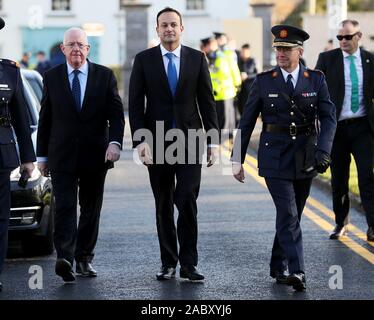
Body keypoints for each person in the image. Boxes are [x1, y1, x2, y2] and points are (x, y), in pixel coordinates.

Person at [232, 25, 336, 291]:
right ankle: (298, 271)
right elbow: (246, 121)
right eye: (278, 48)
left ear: (299, 52)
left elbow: (327, 116)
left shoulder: (316, 79)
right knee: (288, 213)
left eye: (287, 49)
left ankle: (277, 264)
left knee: (293, 214)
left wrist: (324, 151)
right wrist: (236, 158)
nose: (281, 53)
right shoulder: (265, 80)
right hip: (273, 155)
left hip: (305, 155)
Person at [129, 7, 219, 281]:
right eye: (164, 25)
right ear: (157, 30)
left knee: (187, 198)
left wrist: (213, 142)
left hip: (190, 140)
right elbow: (135, 104)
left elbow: (207, 102)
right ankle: (168, 261)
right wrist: (140, 141)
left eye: (173, 25)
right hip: (156, 143)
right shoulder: (144, 60)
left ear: (182, 29)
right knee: (164, 203)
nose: (168, 29)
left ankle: (189, 264)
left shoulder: (196, 58)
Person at [37, 27, 125, 282]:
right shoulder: (51, 77)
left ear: (88, 49)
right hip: (61, 155)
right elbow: (46, 118)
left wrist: (115, 143)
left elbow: (116, 115)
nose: (76, 49)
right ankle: (64, 258)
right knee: (64, 206)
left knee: (90, 208)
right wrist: (42, 156)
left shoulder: (104, 76)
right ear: (63, 49)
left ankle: (84, 258)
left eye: (80, 45)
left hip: (96, 154)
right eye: (71, 44)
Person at [315, 20, 374, 242]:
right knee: (339, 178)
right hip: (336, 129)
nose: (343, 41)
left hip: (362, 128)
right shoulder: (327, 59)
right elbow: (315, 91)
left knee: (367, 177)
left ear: (358, 35)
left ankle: (372, 225)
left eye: (347, 37)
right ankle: (341, 223)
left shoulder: (370, 60)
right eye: (340, 37)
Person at [0, 17, 36, 292]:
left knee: (1, 221)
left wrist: (28, 159)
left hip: (2, 158)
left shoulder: (9, 71)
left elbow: (22, 121)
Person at [238, 43, 258, 116]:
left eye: (244, 52)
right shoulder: (239, 61)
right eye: (242, 52)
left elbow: (258, 74)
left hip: (249, 89)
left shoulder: (253, 61)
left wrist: (247, 76)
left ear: (248, 52)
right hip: (240, 89)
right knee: (240, 108)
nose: (243, 53)